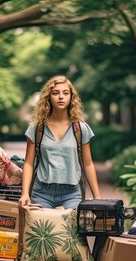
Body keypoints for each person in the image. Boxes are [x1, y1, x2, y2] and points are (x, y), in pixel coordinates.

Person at [18, 75, 101, 209]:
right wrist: (25, 193)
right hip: (41, 193)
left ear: (71, 97)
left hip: (72, 193)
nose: (61, 97)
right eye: (55, 93)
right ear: (48, 97)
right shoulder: (37, 128)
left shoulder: (80, 128)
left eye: (65, 93)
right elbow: (28, 163)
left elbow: (88, 164)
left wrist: (97, 198)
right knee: (43, 230)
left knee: (70, 230)